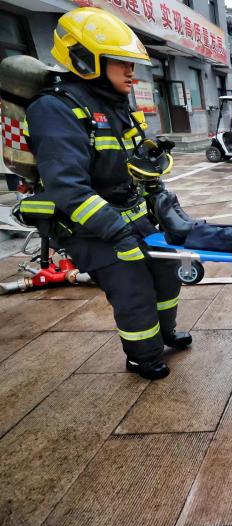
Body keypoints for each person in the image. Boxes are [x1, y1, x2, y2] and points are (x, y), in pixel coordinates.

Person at [25, 7, 191, 380]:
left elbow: (133, 160)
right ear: (86, 61)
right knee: (132, 288)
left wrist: (155, 175)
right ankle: (142, 355)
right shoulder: (55, 109)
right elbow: (67, 188)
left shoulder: (115, 106)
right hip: (91, 228)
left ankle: (166, 333)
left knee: (166, 273)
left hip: (130, 213)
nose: (130, 72)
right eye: (120, 62)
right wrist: (115, 233)